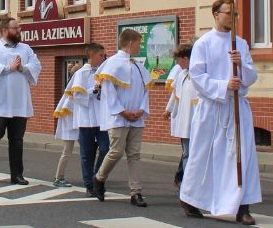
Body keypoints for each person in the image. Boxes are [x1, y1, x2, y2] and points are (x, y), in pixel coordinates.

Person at [181, 0, 261, 225]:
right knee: (202, 154)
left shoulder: (241, 44)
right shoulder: (204, 43)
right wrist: (223, 85)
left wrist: (241, 65)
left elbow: (252, 75)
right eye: (229, 13)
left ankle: (242, 206)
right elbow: (196, 75)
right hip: (212, 107)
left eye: (235, 14)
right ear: (216, 14)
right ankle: (190, 198)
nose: (233, 18)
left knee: (242, 155)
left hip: (236, 107)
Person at [91, 29, 151, 207]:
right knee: (116, 151)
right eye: (139, 43)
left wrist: (141, 109)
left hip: (136, 118)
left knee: (134, 154)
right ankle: (99, 177)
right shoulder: (112, 64)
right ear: (131, 43)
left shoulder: (139, 66)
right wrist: (122, 111)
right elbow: (109, 93)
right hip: (119, 117)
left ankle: (136, 192)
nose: (140, 47)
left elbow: (145, 90)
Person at [0, 17, 41, 185]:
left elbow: (36, 66)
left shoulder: (25, 49)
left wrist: (22, 68)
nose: (19, 30)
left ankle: (17, 174)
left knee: (17, 140)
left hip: (19, 102)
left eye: (19, 28)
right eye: (16, 28)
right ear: (6, 30)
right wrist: (8, 68)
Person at [68, 43, 108, 195]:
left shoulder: (104, 72)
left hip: (102, 119)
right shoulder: (81, 74)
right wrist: (94, 90)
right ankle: (89, 185)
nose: (103, 58)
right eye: (101, 55)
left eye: (104, 56)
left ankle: (98, 176)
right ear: (91, 55)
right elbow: (76, 96)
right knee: (87, 154)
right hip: (86, 120)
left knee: (106, 149)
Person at [165, 44, 195, 187]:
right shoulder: (182, 74)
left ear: (185, 58)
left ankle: (190, 182)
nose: (177, 64)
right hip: (184, 120)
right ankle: (186, 184)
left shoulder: (198, 74)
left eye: (178, 60)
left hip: (196, 119)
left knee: (196, 153)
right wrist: (169, 110)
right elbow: (175, 94)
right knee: (187, 152)